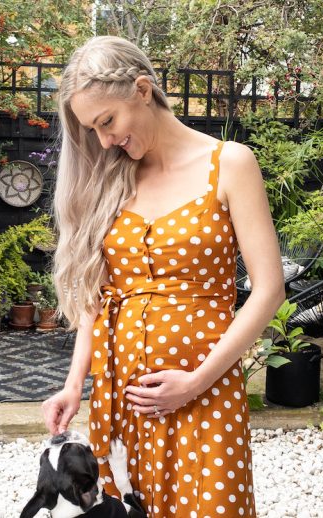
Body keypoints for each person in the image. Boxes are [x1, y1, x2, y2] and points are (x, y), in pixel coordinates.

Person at [41, 35, 284, 517]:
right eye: (94, 130)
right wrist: (73, 385)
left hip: (204, 392)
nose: (105, 140)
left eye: (107, 121)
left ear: (143, 89)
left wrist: (194, 382)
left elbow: (270, 289)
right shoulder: (113, 178)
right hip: (123, 398)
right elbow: (98, 295)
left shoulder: (229, 163)